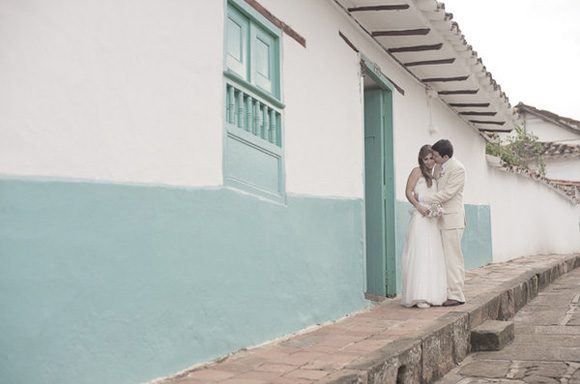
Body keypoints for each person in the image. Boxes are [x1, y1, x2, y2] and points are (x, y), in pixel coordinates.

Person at [420, 139, 466, 307]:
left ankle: (457, 294)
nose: (434, 159)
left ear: (445, 156)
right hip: (440, 218)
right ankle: (445, 291)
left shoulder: (458, 169)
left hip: (452, 219)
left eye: (436, 156)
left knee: (453, 259)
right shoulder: (439, 167)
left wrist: (423, 198)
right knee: (444, 259)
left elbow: (447, 194)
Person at [400, 145, 448, 308]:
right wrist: (418, 206)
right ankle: (419, 296)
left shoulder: (435, 175)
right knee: (419, 252)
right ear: (421, 160)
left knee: (432, 253)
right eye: (425, 159)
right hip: (420, 217)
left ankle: (432, 294)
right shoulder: (416, 172)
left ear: (435, 158)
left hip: (432, 219)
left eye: (431, 158)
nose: (428, 161)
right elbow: (408, 191)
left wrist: (436, 209)